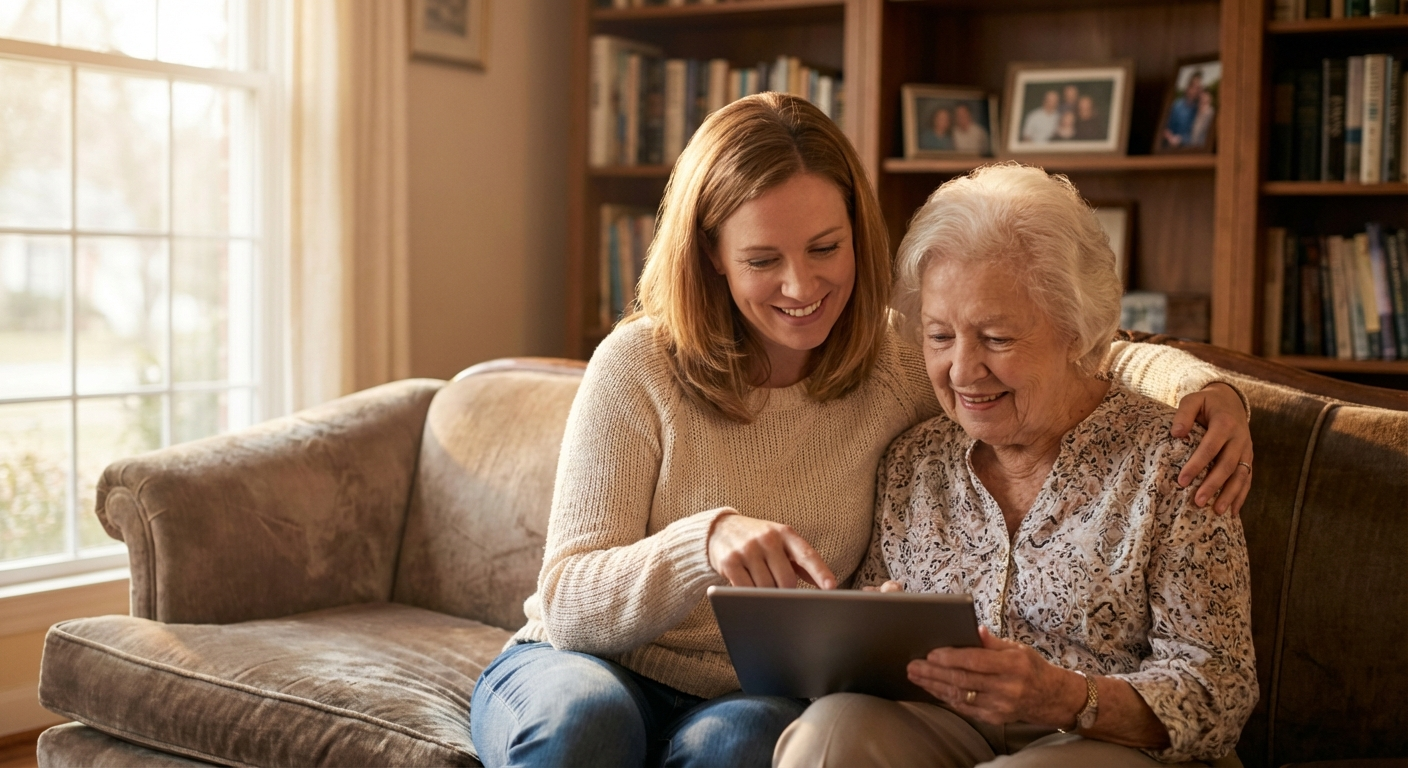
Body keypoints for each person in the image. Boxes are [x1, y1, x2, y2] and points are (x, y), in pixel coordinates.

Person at [468, 95, 1254, 768]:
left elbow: (1082, 344)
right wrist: (700, 543)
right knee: (585, 723)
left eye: (825, 248)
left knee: (743, 746)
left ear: (858, 232)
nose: (802, 286)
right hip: (588, 659)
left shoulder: (898, 363)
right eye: (762, 258)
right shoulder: (639, 364)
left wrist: (1210, 389)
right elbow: (567, 600)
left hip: (749, 695)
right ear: (711, 255)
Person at [774, 164, 1257, 768]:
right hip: (949, 731)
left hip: (1109, 743)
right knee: (830, 731)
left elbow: (1220, 692)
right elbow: (874, 632)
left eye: (996, 339)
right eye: (940, 336)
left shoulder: (1175, 464)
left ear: (1076, 331)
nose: (961, 371)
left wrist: (1062, 697)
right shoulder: (912, 461)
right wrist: (878, 634)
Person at [1162, 70, 1204, 149]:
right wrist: (1171, 138)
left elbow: (1197, 134)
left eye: (1199, 88)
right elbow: (1166, 127)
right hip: (1172, 148)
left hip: (1190, 149)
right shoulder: (1176, 106)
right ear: (1189, 87)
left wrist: (1181, 140)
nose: (1197, 91)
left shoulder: (1199, 109)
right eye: (1195, 87)